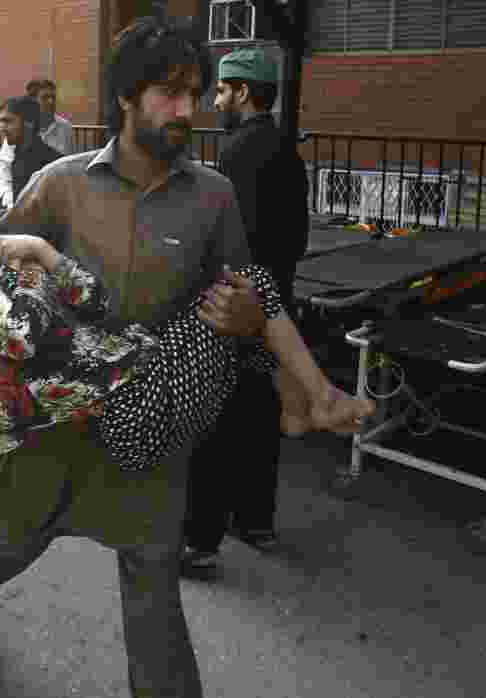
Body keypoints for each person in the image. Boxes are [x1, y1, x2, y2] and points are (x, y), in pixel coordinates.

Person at [0, 16, 331, 695]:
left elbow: (242, 295)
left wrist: (251, 318)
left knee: (154, 585)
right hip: (54, 421)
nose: (186, 109)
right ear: (126, 97)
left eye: (194, 92)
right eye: (168, 92)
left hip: (148, 422)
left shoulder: (214, 196)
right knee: (5, 545)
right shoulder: (60, 183)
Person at [0, 173, 372, 500]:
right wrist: (35, 266)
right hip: (134, 412)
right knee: (250, 289)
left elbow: (94, 301)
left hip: (140, 383)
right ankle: (316, 397)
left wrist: (42, 252)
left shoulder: (12, 258)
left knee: (242, 301)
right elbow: (21, 337)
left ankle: (299, 403)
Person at [183, 47, 311, 568]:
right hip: (275, 305)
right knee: (260, 415)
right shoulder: (285, 147)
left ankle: (199, 543)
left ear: (242, 93)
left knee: (214, 426)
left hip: (237, 309)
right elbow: (294, 238)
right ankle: (255, 521)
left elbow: (232, 241)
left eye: (221, 91)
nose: (216, 101)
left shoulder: (237, 152)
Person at [0, 79, 72, 209]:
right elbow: (5, 169)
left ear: (28, 123)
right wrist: (10, 206)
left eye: (8, 122)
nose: (51, 102)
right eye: (45, 97)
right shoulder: (18, 152)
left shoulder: (64, 130)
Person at [0, 95, 61, 202]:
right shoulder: (18, 156)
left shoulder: (51, 164)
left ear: (29, 123)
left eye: (8, 121)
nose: (2, 128)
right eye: (2, 121)